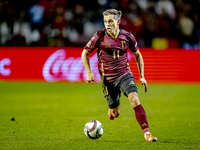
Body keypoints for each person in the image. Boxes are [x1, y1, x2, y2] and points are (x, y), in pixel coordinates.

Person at [81, 9, 157, 142]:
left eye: (110, 21)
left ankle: (147, 134)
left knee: (134, 99)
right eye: (105, 21)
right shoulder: (99, 36)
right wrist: (89, 72)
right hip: (108, 80)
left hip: (124, 75)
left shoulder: (128, 37)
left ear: (118, 21)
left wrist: (142, 76)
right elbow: (84, 53)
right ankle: (112, 110)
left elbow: (138, 55)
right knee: (116, 114)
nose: (107, 24)